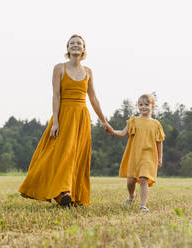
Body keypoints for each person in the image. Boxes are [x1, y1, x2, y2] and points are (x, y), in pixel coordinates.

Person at [18, 34, 111, 207]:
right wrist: (55, 122)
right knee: (60, 154)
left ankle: (70, 196)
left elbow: (93, 98)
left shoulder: (88, 72)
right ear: (67, 48)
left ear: (83, 49)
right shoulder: (59, 68)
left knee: (77, 156)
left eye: (79, 44)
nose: (75, 46)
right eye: (72, 43)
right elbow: (56, 96)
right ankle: (62, 192)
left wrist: (104, 120)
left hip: (82, 117)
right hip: (64, 116)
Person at [109, 94, 165, 212]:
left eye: (146, 104)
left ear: (152, 106)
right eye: (140, 104)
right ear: (137, 106)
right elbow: (123, 133)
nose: (143, 107)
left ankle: (143, 205)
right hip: (134, 155)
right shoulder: (134, 121)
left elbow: (159, 142)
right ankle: (131, 196)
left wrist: (160, 158)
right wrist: (113, 131)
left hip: (148, 155)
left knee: (144, 179)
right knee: (131, 181)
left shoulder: (156, 124)